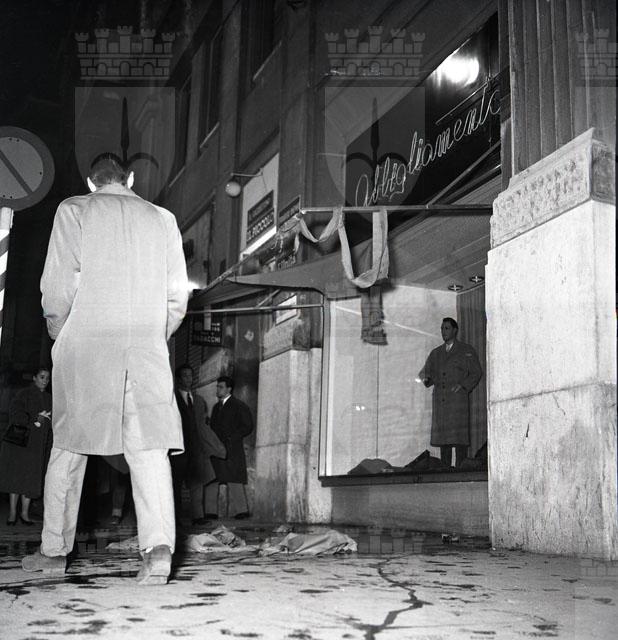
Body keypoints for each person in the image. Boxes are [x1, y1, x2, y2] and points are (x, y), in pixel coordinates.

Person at [22, 157, 188, 585]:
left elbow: (57, 287)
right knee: (149, 448)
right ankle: (158, 552)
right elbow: (177, 297)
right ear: (129, 179)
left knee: (69, 448)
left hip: (88, 345)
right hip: (146, 349)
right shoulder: (163, 218)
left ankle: (54, 553)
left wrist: (61, 334)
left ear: (90, 181)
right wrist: (153, 337)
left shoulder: (75, 209)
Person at [419, 317, 482, 468]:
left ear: (455, 330)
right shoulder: (436, 353)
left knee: (460, 441)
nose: (443, 331)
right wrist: (427, 378)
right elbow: (425, 373)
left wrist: (463, 385)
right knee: (444, 441)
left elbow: (476, 372)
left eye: (446, 328)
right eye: (442, 328)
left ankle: (460, 472)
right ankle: (445, 471)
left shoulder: (466, 350)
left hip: (457, 403)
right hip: (441, 403)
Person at [171, 364, 226, 525]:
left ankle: (198, 517)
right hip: (178, 448)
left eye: (190, 375)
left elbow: (203, 425)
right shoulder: (172, 399)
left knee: (197, 482)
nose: (188, 379)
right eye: (185, 375)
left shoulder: (199, 401)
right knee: (176, 484)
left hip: (196, 448)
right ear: (178, 379)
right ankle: (175, 518)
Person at [0, 367, 53, 525]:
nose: (45, 381)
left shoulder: (49, 398)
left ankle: (24, 514)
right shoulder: (24, 394)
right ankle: (12, 513)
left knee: (31, 479)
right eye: (42, 377)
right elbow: (15, 413)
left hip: (38, 446)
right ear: (34, 378)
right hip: (21, 444)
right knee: (16, 477)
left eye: (47, 378)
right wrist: (35, 419)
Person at [207, 376, 254, 519]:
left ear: (229, 389)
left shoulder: (238, 405)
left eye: (221, 387)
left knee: (234, 479)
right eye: (217, 387)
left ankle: (242, 511)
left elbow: (248, 426)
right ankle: (210, 512)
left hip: (232, 449)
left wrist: (232, 438)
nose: (218, 389)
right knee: (212, 478)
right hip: (217, 448)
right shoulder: (216, 408)